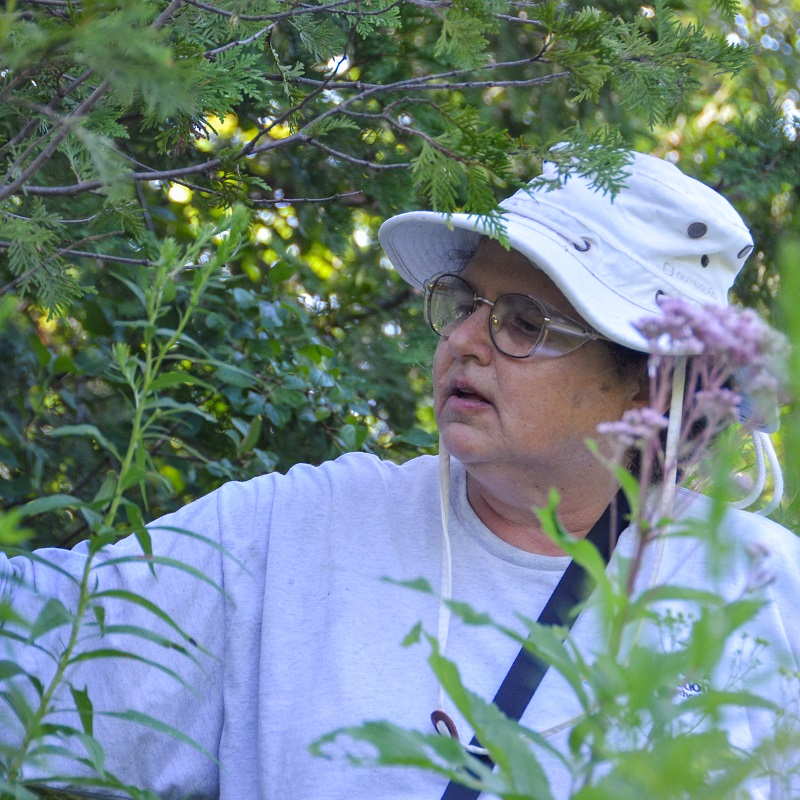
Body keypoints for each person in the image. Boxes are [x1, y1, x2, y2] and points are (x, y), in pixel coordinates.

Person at [1, 150, 798, 799]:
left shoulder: (765, 594)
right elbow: (36, 642)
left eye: (525, 321)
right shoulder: (297, 534)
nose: (466, 342)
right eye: (464, 303)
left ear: (650, 383)